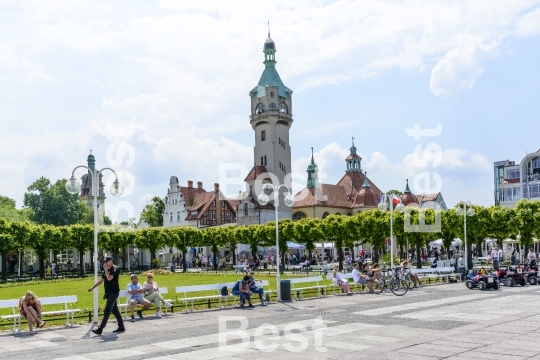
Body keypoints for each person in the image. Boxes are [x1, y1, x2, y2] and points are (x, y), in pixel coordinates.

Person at [88, 256, 125, 335]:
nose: (105, 264)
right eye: (104, 262)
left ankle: (100, 329)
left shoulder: (115, 268)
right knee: (115, 310)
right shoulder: (107, 269)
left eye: (106, 262)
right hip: (109, 293)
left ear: (111, 261)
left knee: (107, 310)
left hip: (114, 293)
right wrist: (92, 287)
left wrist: (105, 269)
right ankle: (121, 326)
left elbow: (109, 278)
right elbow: (101, 280)